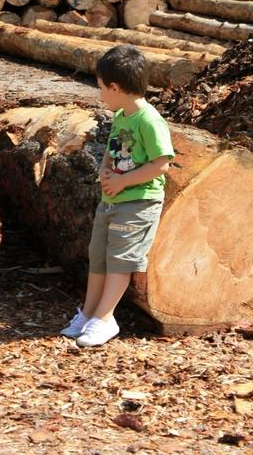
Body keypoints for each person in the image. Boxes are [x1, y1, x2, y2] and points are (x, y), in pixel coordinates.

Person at [60, 44, 175, 347]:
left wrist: (124, 183)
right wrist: (105, 172)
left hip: (137, 204)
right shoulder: (122, 115)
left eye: (101, 88)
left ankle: (105, 318)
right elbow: (112, 152)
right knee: (99, 258)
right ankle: (88, 313)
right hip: (112, 201)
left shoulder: (148, 120)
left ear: (114, 86)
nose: (100, 95)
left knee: (121, 261)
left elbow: (161, 163)